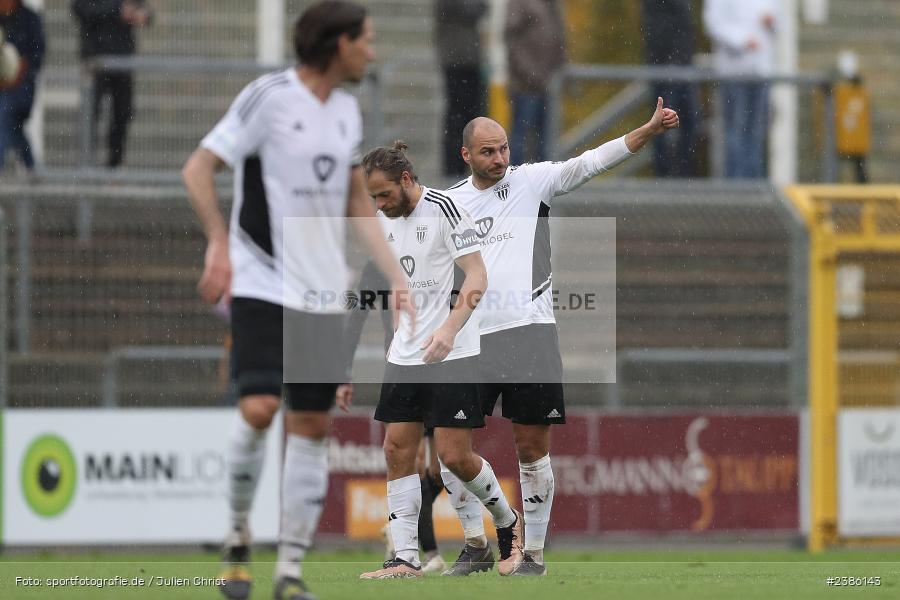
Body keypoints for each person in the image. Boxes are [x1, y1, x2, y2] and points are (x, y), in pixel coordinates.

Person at [182, 4, 409, 600]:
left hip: (319, 293)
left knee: (311, 425)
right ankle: (236, 533)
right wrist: (217, 245)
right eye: (367, 40)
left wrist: (395, 275)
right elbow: (199, 168)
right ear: (338, 44)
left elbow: (355, 203)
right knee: (259, 409)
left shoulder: (346, 111)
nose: (372, 51)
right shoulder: (269, 97)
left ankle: (288, 573)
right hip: (259, 280)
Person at [440, 100, 679, 576]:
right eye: (488, 152)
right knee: (450, 452)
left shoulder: (532, 181)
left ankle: (533, 557)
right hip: (470, 341)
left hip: (530, 336)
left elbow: (591, 162)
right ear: (466, 155)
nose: (500, 158)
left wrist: (646, 132)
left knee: (531, 449)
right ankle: (484, 538)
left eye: (504, 148)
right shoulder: (446, 206)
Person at [358, 141, 524, 579]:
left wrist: (448, 331)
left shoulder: (445, 209)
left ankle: (507, 521)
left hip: (454, 351)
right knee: (396, 449)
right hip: (406, 355)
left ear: (407, 180)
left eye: (384, 195)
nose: (379, 204)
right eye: (374, 197)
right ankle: (405, 558)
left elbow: (478, 275)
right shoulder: (382, 221)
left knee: (454, 457)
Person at [343, 261, 447, 574]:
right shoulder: (378, 264)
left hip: (443, 365)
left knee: (443, 469)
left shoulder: (435, 248)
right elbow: (357, 316)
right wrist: (343, 372)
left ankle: (400, 531)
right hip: (402, 369)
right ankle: (428, 554)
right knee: (412, 464)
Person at [72, 0, 152, 168]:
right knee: (90, 113)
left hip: (122, 61)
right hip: (94, 60)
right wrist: (116, 11)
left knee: (122, 113)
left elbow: (146, 13)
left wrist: (142, 15)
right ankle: (87, 166)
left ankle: (113, 168)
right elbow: (79, 9)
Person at [703, 0, 778, 179]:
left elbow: (778, 20)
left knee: (757, 132)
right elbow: (714, 23)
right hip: (734, 71)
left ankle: (753, 185)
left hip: (761, 71)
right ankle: (736, 187)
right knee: (735, 131)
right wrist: (743, 41)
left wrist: (773, 21)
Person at [641, 0, 698, 177]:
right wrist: (674, 61)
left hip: (680, 66)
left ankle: (682, 177)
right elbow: (658, 28)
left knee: (688, 123)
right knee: (663, 126)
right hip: (666, 67)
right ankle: (666, 178)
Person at [504, 0, 566, 166]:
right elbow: (511, 39)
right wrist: (530, 72)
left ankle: (542, 185)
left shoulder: (550, 5)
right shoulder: (522, 3)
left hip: (547, 84)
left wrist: (559, 70)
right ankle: (512, 181)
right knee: (521, 137)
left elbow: (558, 38)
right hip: (525, 85)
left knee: (545, 141)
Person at [434, 0, 487, 178]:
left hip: (470, 59)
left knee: (472, 114)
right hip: (455, 60)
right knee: (457, 117)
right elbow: (470, 9)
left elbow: (481, 8)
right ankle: (453, 169)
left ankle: (466, 165)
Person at [0, 0, 44, 173]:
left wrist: (15, 76)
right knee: (13, 126)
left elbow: (36, 56)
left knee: (4, 116)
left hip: (20, 89)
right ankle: (31, 168)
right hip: (6, 88)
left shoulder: (29, 19)